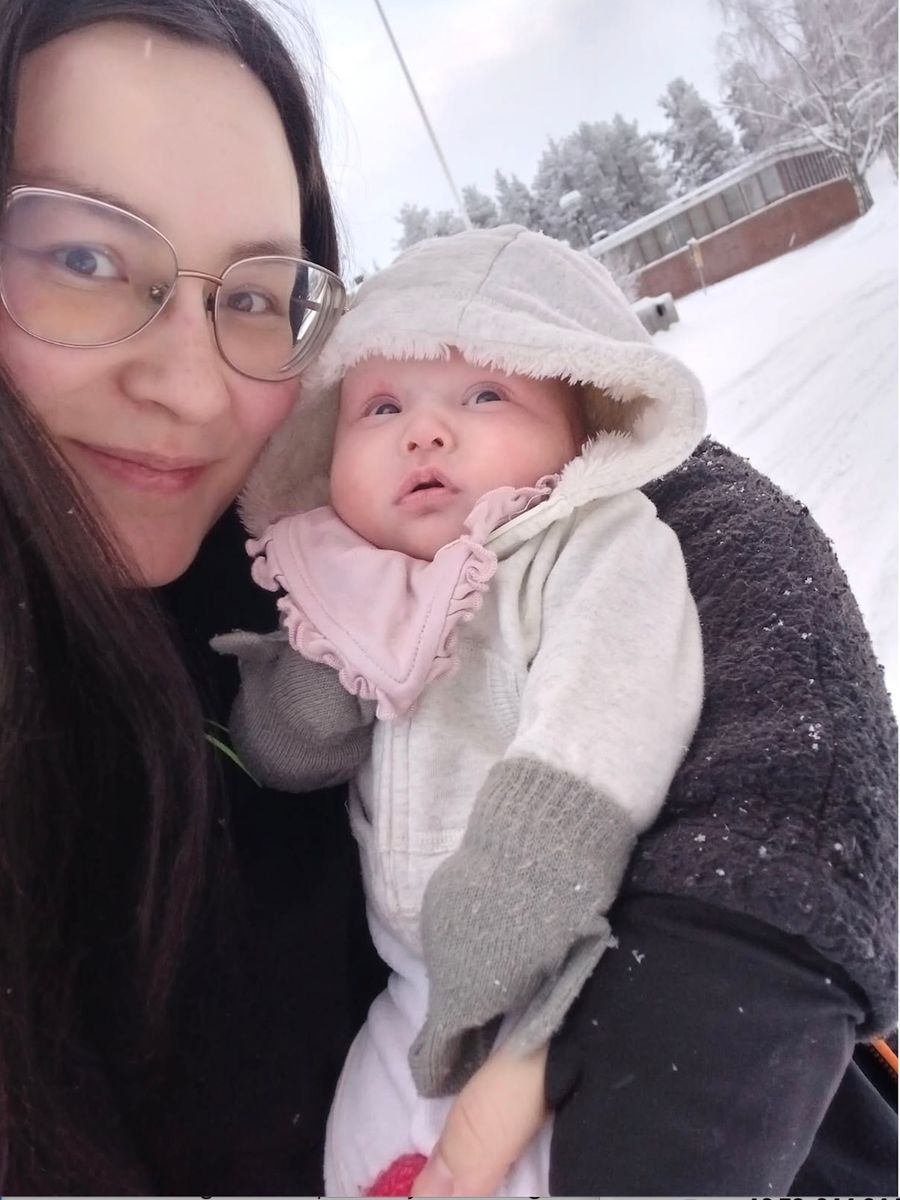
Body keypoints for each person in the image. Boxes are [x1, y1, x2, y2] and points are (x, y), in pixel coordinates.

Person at [0, 0, 894, 1195]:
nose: (194, 391)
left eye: (256, 293)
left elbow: (658, 510)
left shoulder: (280, 519)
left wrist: (723, 968)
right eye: (85, 259)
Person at [216, 223, 708, 1196]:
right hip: (410, 989)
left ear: (582, 423)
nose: (424, 432)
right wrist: (316, 681)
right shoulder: (355, 582)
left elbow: (609, 710)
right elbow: (280, 756)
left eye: (486, 395)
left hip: (567, 958)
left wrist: (517, 891)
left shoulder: (589, 545)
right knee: (356, 1153)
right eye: (382, 406)